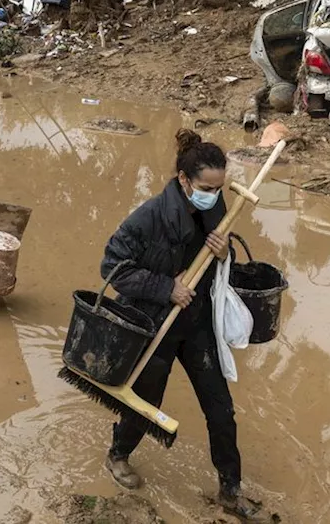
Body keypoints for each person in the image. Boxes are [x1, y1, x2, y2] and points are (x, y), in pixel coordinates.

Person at [99, 129, 263, 521]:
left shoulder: (218, 210)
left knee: (220, 409)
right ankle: (118, 454)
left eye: (219, 187)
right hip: (154, 324)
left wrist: (225, 255)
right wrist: (164, 287)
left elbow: (221, 270)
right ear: (185, 180)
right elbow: (112, 269)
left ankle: (229, 489)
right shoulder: (147, 218)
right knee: (145, 402)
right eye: (207, 187)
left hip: (197, 325)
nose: (214, 194)